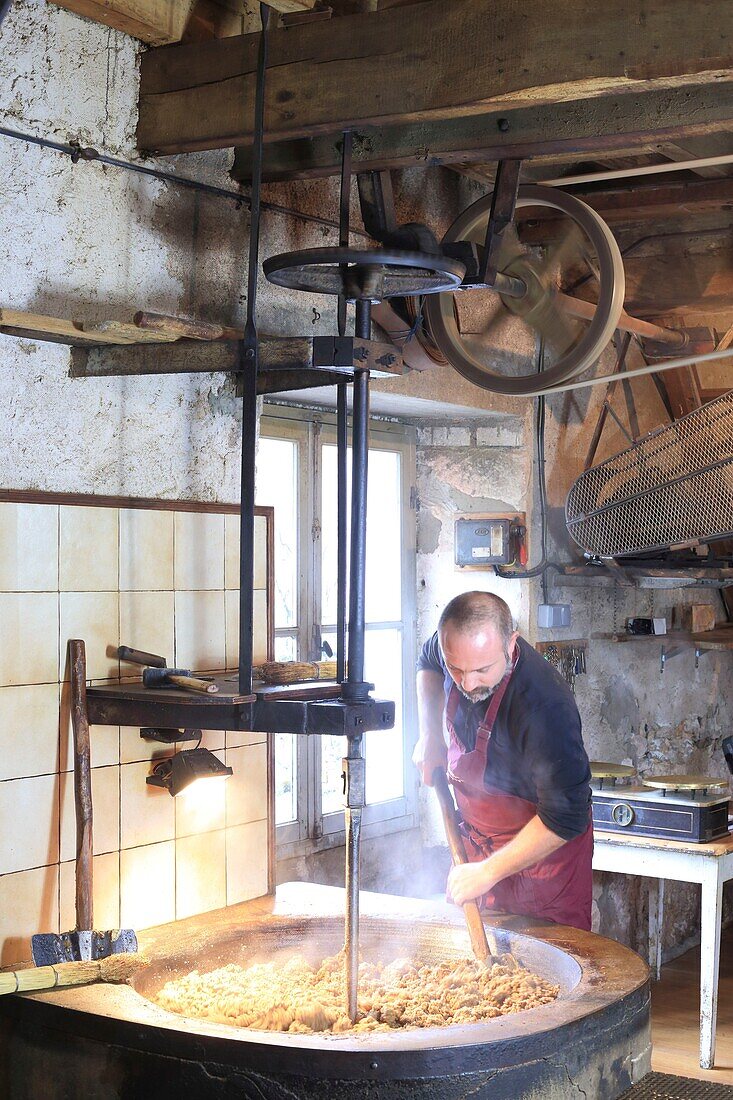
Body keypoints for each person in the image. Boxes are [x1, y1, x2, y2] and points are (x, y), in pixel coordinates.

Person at [413, 590, 593, 931]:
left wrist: (487, 872)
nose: (467, 683)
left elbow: (566, 818)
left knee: (551, 971)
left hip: (543, 868)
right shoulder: (451, 647)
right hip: (480, 848)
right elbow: (427, 662)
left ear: (512, 644)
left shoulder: (545, 707)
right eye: (457, 668)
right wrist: (430, 735)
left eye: (482, 670)